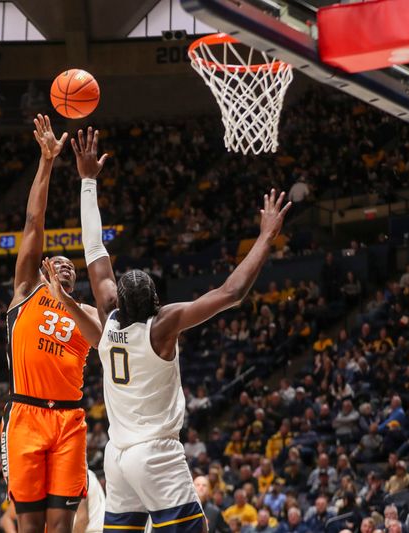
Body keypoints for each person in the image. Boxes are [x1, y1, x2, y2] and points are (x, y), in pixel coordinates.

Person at [45, 126, 290, 533]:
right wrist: (265, 238)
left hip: (117, 457)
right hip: (155, 454)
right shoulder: (161, 329)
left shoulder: (108, 320)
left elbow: (94, 249)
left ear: (119, 301)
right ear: (157, 304)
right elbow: (231, 292)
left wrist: (87, 181)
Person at [3, 115, 101, 533]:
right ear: (43, 269)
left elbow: (101, 338)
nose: (64, 265)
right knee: (29, 527)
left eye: (70, 267)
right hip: (25, 414)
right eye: (57, 262)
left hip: (69, 420)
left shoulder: (87, 313)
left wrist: (67, 302)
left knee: (62, 528)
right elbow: (33, 222)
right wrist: (46, 162)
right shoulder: (27, 290)